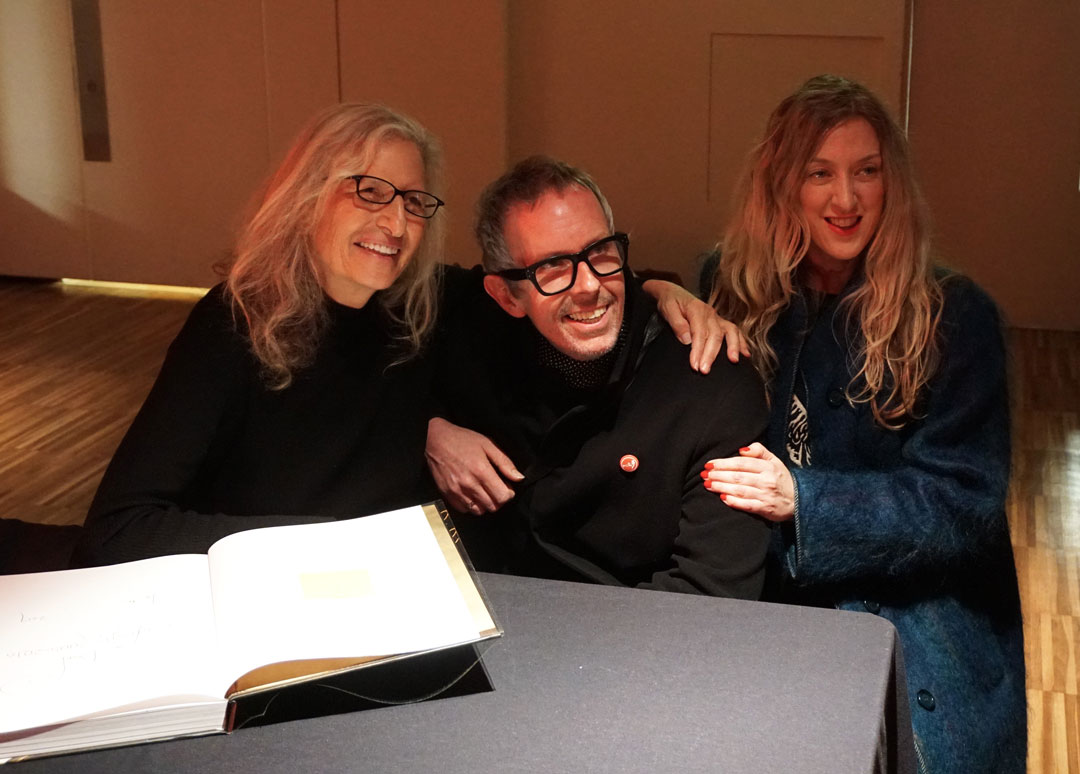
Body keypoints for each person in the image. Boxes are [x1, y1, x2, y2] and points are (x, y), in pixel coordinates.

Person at [73, 103, 732, 568]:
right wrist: (322, 542)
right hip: (260, 596)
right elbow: (118, 528)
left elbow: (556, 278)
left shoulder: (418, 306)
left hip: (393, 596)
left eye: (414, 202)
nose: (394, 222)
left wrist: (661, 289)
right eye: (369, 191)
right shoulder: (235, 321)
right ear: (306, 195)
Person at [700, 75, 1025, 771]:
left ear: (892, 183)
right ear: (783, 183)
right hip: (762, 601)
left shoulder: (955, 316)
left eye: (866, 172)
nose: (846, 200)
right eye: (820, 173)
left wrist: (806, 500)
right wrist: (663, 296)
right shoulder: (729, 285)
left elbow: (961, 506)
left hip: (913, 621)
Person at [431, 156, 770, 598]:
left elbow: (713, 593)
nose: (589, 284)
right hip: (479, 629)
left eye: (600, 252)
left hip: (634, 645)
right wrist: (429, 430)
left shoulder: (711, 379)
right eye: (552, 266)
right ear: (506, 296)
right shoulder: (468, 334)